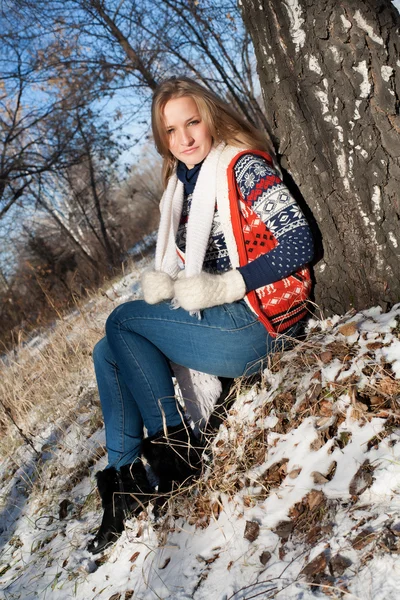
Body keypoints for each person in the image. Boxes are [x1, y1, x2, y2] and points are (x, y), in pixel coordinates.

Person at [87, 76, 314, 554]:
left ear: (211, 118)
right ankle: (124, 484)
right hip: (220, 318)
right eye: (171, 131)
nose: (185, 138)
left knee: (122, 320)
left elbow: (300, 242)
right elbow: (198, 269)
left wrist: (229, 284)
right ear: (162, 139)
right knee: (107, 349)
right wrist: (169, 284)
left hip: (259, 321)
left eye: (192, 123)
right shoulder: (180, 188)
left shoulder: (243, 166)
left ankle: (177, 454)